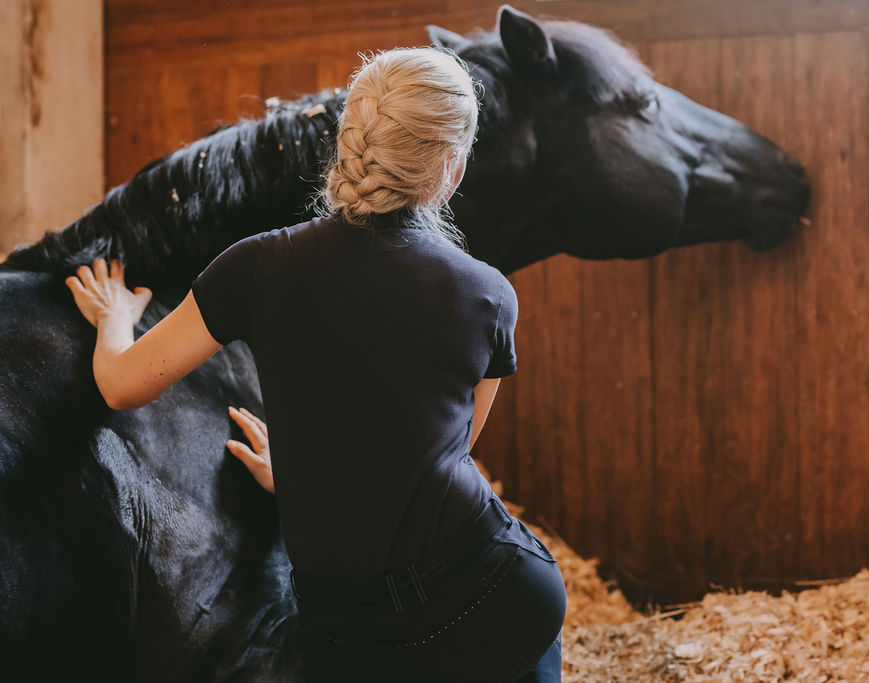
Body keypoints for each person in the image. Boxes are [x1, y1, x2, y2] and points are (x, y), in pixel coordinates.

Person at [64, 47, 566, 682]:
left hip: (355, 633)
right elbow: (443, 453)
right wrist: (307, 474)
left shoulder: (256, 266)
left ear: (347, 142)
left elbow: (119, 385)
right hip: (500, 595)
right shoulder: (489, 293)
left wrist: (114, 320)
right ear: (451, 167)